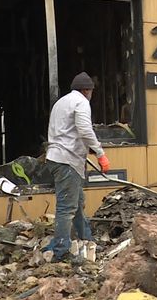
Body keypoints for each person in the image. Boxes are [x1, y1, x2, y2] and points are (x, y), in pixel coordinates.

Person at [44, 72, 110, 261]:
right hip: (67, 160)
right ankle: (61, 250)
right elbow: (85, 130)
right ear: (86, 90)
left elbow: (66, 130)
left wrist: (84, 148)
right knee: (67, 207)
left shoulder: (62, 102)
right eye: (90, 91)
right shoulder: (81, 102)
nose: (91, 94)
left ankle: (86, 238)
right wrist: (100, 153)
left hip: (57, 157)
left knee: (77, 202)